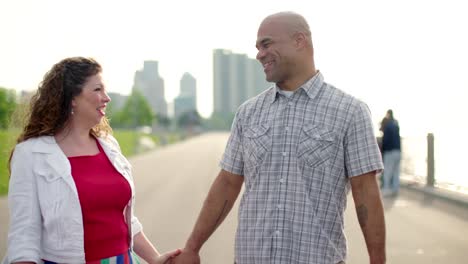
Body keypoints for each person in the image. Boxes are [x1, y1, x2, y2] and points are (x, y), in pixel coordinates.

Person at [174, 11, 386, 264]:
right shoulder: (248, 113)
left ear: (299, 41)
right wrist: (192, 247)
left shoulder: (350, 112)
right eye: (257, 47)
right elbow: (227, 183)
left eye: (266, 44)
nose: (259, 54)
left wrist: (378, 260)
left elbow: (366, 193)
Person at [3, 57, 180, 264]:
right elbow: (24, 239)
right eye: (97, 90)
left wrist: (155, 258)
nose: (106, 98)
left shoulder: (109, 146)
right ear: (72, 98)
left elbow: (123, 220)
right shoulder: (31, 155)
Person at [381, 109, 401, 196]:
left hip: (389, 151)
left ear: (388, 114)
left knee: (388, 171)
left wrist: (383, 150)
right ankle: (395, 189)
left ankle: (386, 190)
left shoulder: (388, 126)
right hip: (398, 150)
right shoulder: (396, 125)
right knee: (396, 171)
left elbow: (386, 140)